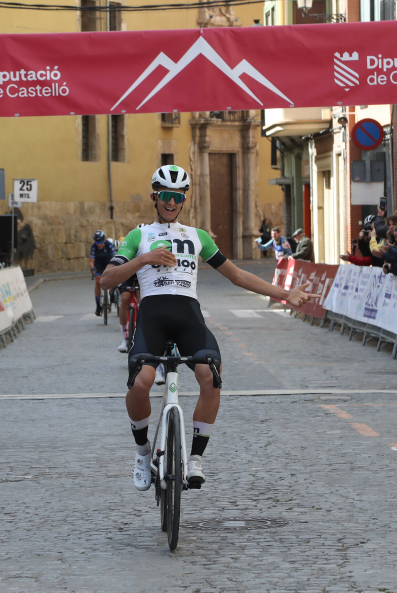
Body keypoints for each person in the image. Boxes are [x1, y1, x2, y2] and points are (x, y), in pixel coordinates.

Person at [99, 165, 318, 491]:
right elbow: (106, 279)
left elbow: (237, 275)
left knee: (211, 374)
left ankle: (196, 459)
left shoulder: (197, 236)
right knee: (141, 382)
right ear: (154, 197)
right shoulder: (138, 236)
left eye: (177, 197)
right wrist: (143, 259)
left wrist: (285, 294)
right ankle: (143, 452)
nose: (171, 203)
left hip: (188, 316)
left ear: (184, 200)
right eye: (165, 196)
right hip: (152, 316)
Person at [90, 230, 116, 316]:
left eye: (100, 242)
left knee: (110, 280)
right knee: (98, 281)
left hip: (108, 263)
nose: (99, 244)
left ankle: (112, 294)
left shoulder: (109, 244)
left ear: (104, 240)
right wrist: (93, 268)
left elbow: (115, 256)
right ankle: (98, 305)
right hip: (98, 265)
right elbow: (91, 262)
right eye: (97, 242)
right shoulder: (94, 246)